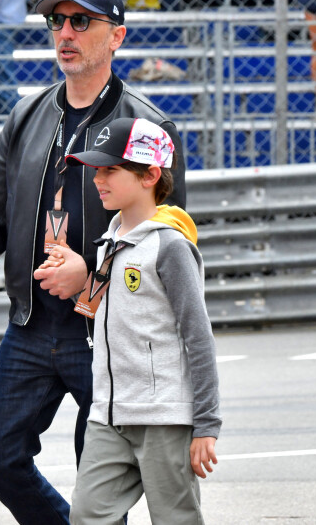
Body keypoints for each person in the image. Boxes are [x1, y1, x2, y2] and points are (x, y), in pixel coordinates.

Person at [0, 0, 186, 524]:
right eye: (56, 21)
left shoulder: (147, 126)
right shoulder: (26, 115)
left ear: (116, 36)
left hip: (104, 332)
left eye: (81, 21)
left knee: (97, 481)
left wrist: (90, 273)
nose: (65, 33)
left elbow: (166, 243)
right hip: (31, 325)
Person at [61, 117, 221, 524]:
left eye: (111, 169)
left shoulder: (170, 246)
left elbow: (198, 338)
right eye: (96, 169)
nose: (98, 179)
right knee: (87, 515)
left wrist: (206, 424)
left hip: (164, 417)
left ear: (150, 175)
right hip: (109, 415)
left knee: (174, 518)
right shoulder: (110, 241)